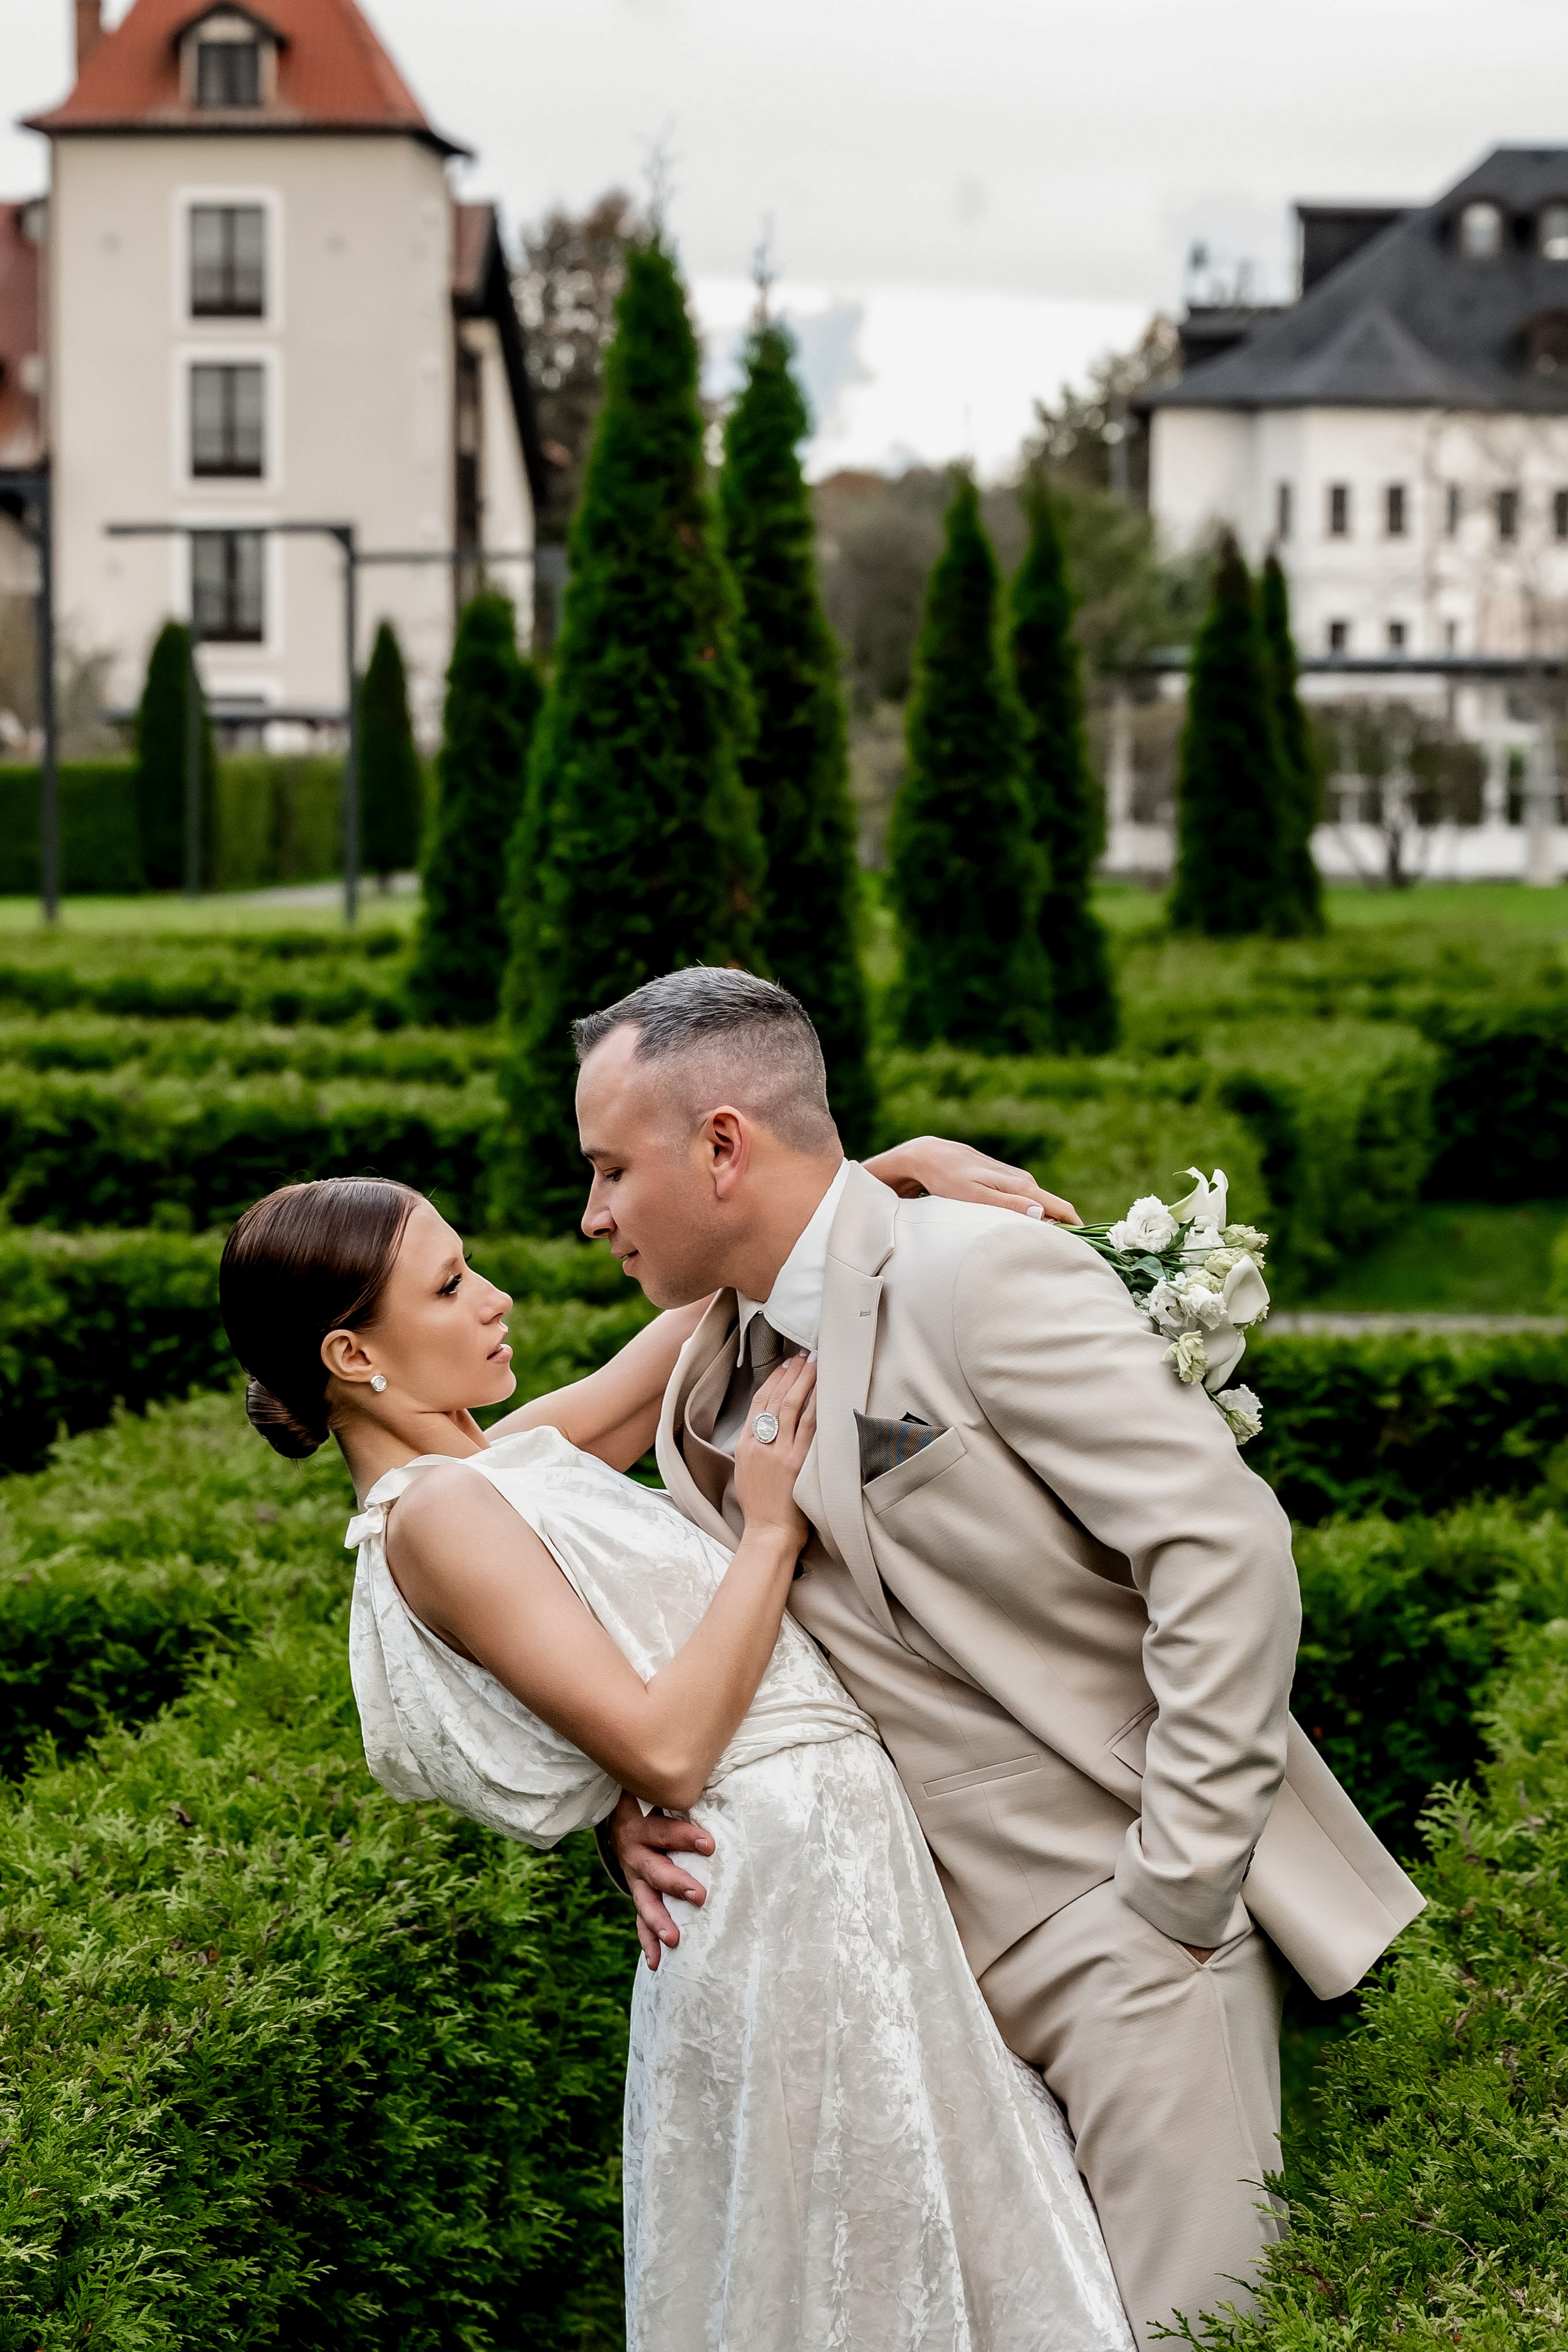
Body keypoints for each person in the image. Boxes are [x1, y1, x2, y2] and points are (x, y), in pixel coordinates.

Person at [573, 966, 1427, 2346]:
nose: (591, 1213)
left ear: (722, 1143)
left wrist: (1175, 1886)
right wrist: (639, 1792)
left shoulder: (980, 1272)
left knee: (1186, 2336)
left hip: (1115, 1932)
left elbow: (1221, 1549)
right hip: (894, 1968)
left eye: (611, 1170)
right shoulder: (699, 1366)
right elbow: (470, 1504)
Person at [219, 1158, 1134, 2352]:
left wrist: (861, 1177)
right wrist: (767, 1526)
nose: (493, 1297)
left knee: (931, 2230)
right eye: (448, 1287)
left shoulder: (496, 1466)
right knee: (867, 2259)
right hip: (776, 1895)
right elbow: (663, 1747)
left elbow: (693, 1324)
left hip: (823, 1868)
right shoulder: (435, 1519)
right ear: (352, 1357)